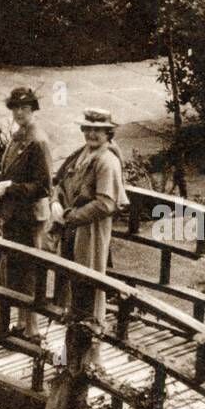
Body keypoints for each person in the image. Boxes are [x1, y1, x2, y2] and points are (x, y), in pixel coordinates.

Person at [51, 109, 127, 345]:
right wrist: (56, 202)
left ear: (108, 133)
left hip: (90, 231)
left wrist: (70, 216)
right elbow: (60, 182)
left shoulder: (107, 161)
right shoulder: (81, 155)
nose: (92, 134)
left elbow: (106, 204)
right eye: (89, 129)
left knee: (88, 280)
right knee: (72, 279)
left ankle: (88, 337)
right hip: (71, 227)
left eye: (99, 130)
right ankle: (74, 330)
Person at [0, 86, 53, 343]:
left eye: (25, 108)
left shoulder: (37, 140)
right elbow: (8, 174)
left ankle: (33, 329)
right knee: (15, 270)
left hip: (29, 216)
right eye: (15, 108)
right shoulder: (18, 136)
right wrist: (0, 210)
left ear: (33, 109)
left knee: (28, 272)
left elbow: (43, 186)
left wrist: (12, 188)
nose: (19, 112)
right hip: (14, 214)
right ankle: (20, 323)